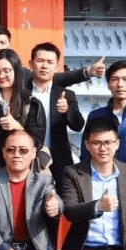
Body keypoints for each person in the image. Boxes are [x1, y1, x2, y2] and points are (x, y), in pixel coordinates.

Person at [60, 116, 126, 250]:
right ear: (87, 145)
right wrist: (98, 206)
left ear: (117, 144)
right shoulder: (73, 173)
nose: (103, 148)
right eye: (96, 143)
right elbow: (70, 210)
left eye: (108, 142)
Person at [0, 130, 61, 250]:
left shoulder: (44, 181)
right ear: (4, 153)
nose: (16, 155)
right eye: (11, 150)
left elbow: (57, 202)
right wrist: (1, 247)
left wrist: (55, 207)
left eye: (23, 150)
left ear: (33, 153)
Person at [0, 49, 46, 174]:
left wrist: (18, 127)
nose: (1, 76)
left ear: (16, 72)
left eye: (6, 70)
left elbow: (37, 142)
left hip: (20, 174)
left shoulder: (32, 105)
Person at [27, 42, 85, 185]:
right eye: (40, 61)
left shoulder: (66, 94)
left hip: (59, 159)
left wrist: (67, 111)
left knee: (62, 196)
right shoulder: (21, 92)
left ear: (57, 67)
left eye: (50, 62)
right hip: (27, 158)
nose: (44, 66)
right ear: (31, 64)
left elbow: (78, 125)